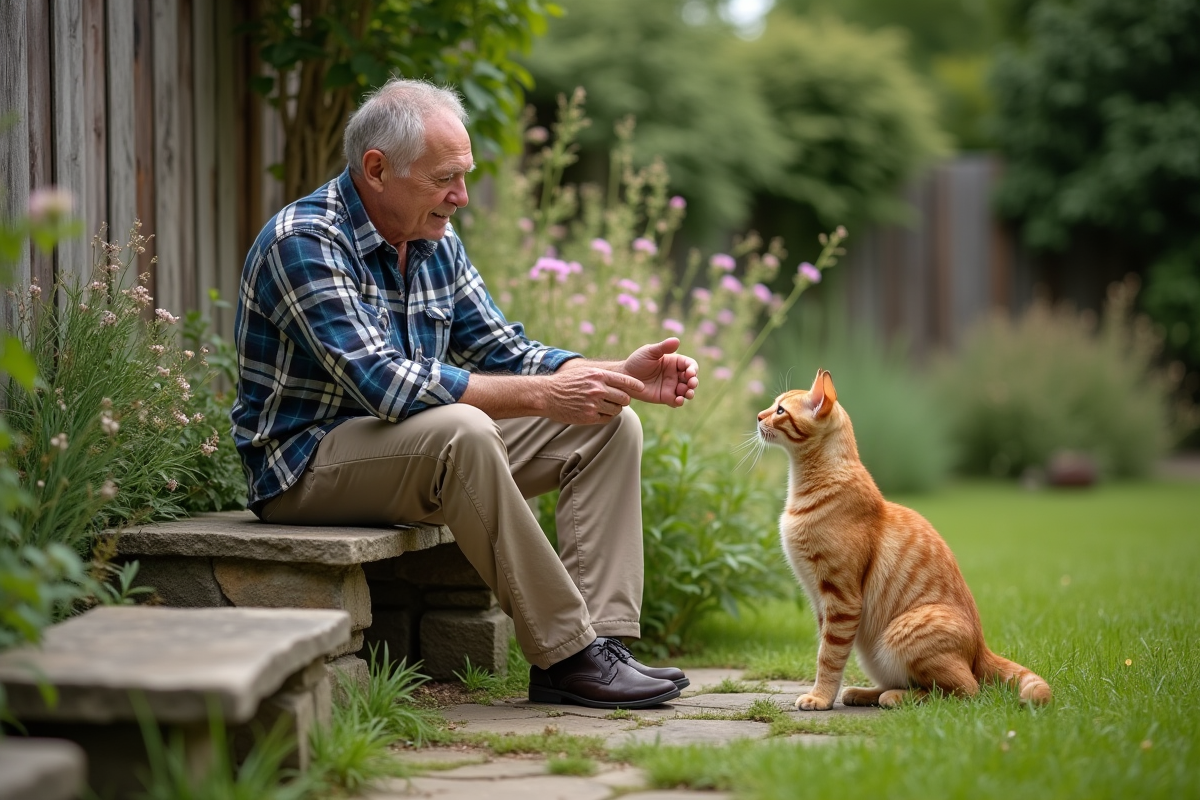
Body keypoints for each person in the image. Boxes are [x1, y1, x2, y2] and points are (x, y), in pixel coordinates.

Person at [230, 78, 699, 709]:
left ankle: (603, 646)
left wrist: (611, 375)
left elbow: (504, 348)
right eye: (446, 178)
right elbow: (384, 384)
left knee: (606, 423)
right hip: (303, 467)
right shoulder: (305, 241)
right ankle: (566, 652)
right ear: (377, 169)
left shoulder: (434, 240)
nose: (463, 195)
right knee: (466, 428)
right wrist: (543, 397)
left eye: (465, 175)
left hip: (410, 454)